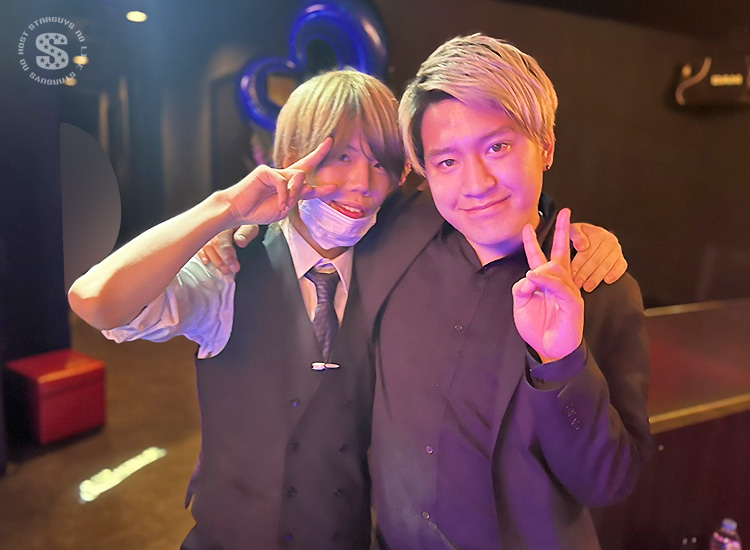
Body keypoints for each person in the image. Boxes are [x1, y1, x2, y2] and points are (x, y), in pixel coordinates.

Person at [70, 69, 627, 549]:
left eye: (381, 164)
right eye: (338, 156)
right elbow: (96, 301)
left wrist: (577, 233)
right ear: (289, 159)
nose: (361, 184)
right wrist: (222, 213)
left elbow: (485, 197)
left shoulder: (397, 249)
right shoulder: (231, 268)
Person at [359, 34, 652, 549]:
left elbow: (609, 481)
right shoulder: (397, 234)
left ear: (546, 146)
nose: (476, 184)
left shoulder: (597, 286)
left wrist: (562, 361)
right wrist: (228, 235)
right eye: (447, 162)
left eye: (497, 147)